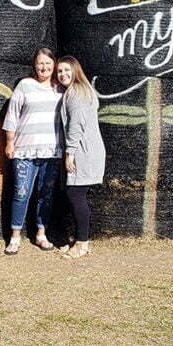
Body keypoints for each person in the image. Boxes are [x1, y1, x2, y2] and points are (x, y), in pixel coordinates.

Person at [1, 47, 62, 255]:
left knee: (46, 194)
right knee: (21, 193)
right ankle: (14, 237)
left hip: (52, 151)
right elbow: (12, 115)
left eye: (48, 63)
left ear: (54, 64)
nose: (44, 67)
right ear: (34, 65)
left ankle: (41, 234)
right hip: (24, 150)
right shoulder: (25, 85)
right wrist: (9, 142)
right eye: (40, 63)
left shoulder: (60, 88)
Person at [55, 55, 105, 260]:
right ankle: (80, 241)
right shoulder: (82, 90)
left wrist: (70, 153)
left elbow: (76, 125)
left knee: (76, 195)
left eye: (67, 70)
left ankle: (82, 244)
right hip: (87, 150)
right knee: (75, 194)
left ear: (76, 71)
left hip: (83, 151)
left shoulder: (76, 92)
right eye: (60, 71)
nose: (63, 74)